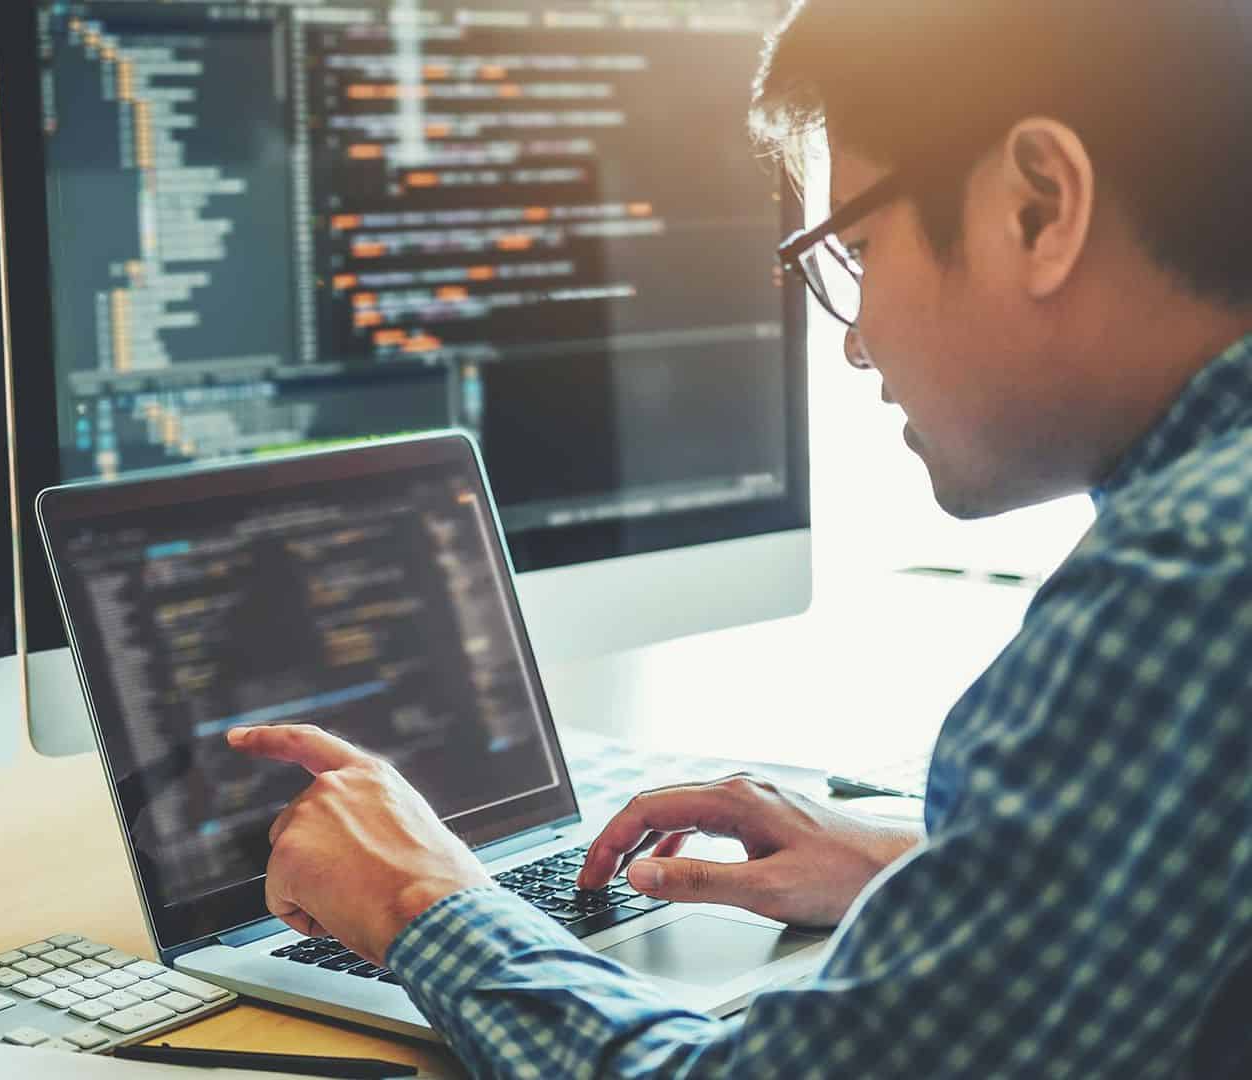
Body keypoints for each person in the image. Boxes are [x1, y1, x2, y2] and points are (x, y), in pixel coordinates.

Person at [227, 1, 1252, 1075]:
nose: (855, 344)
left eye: (853, 247)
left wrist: (417, 900)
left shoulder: (1184, 581)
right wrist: (943, 873)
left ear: (1040, 205)